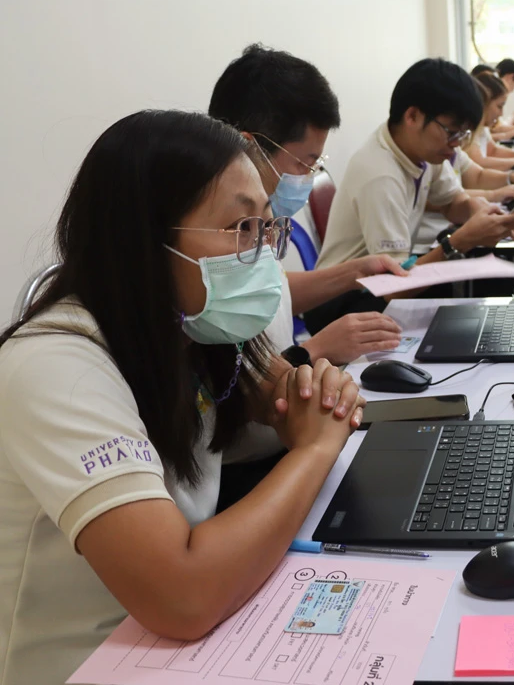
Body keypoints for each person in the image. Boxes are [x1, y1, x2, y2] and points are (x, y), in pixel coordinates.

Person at [0, 110, 363, 685]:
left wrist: (318, 398)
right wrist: (314, 451)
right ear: (145, 239)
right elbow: (181, 595)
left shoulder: (192, 326)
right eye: (241, 229)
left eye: (267, 230)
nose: (261, 256)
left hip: (196, 640)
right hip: (90, 661)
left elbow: (289, 409)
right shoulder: (53, 367)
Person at [208, 45, 404, 362]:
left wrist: (355, 273)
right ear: (249, 146)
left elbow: (272, 295)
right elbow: (230, 387)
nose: (308, 177)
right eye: (304, 163)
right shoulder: (212, 242)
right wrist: (314, 351)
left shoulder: (260, 222)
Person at [312, 59, 514, 316]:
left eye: (463, 135)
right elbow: (393, 285)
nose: (457, 144)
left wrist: (480, 212)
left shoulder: (422, 151)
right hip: (343, 301)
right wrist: (461, 241)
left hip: (384, 282)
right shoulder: (380, 174)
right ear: (412, 116)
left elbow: (451, 202)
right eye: (452, 132)